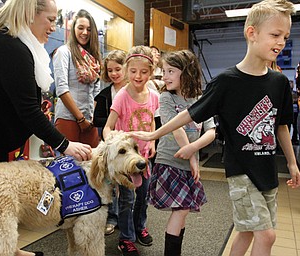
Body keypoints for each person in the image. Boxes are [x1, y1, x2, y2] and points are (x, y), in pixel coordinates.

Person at [130, 1, 300, 256]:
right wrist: (155, 134)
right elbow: (190, 114)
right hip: (241, 171)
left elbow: (281, 126)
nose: (281, 42)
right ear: (251, 33)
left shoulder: (279, 82)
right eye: (275, 34)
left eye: (285, 36)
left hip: (267, 171)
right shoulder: (225, 81)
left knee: (246, 231)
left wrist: (292, 163)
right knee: (267, 235)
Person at [0, 0, 92, 255]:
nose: (54, 27)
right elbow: (29, 110)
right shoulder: (10, 47)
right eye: (51, 19)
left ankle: (11, 249)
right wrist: (66, 144)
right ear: (30, 14)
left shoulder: (2, 42)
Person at [152, 49, 216, 256]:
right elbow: (175, 127)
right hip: (169, 161)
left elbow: (211, 131)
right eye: (163, 71)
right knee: (181, 209)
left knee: (184, 210)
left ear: (186, 72)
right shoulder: (166, 97)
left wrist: (193, 150)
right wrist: (191, 155)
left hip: (189, 163)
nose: (165, 76)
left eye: (170, 71)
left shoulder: (201, 98)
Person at [103, 45, 159, 256]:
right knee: (127, 199)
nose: (138, 76)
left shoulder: (154, 95)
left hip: (144, 157)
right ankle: (126, 238)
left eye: (144, 72)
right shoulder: (122, 96)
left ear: (151, 72)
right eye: (133, 71)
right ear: (127, 71)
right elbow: (108, 127)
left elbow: (151, 121)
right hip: (127, 163)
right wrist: (112, 142)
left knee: (144, 196)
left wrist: (152, 141)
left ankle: (139, 227)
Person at [53, 9, 101, 148]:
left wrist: (91, 117)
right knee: (69, 165)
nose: (85, 32)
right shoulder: (64, 52)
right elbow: (62, 89)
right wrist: (80, 119)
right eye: (80, 28)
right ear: (73, 29)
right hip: (68, 118)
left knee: (91, 163)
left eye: (89, 29)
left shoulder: (93, 57)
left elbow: (96, 91)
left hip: (89, 120)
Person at [93, 49, 127, 235]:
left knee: (131, 188)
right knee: (111, 184)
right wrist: (112, 123)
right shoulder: (104, 95)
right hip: (112, 144)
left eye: (118, 69)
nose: (114, 74)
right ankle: (112, 218)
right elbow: (96, 120)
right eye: (110, 70)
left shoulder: (135, 90)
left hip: (132, 147)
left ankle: (130, 221)